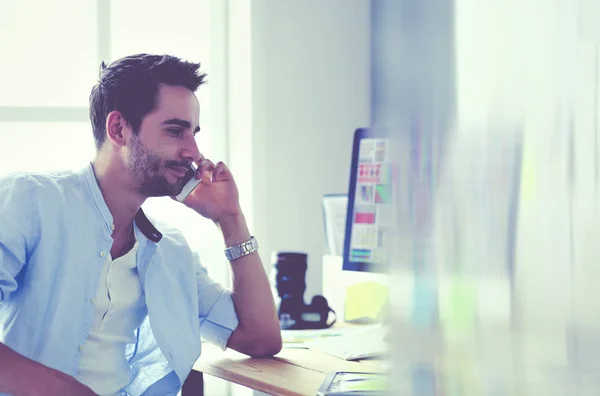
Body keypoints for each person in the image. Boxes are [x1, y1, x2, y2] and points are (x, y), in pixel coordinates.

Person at [0, 54, 282, 395]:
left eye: (193, 133)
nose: (194, 151)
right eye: (175, 130)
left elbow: (260, 337)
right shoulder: (30, 201)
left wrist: (230, 218)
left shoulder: (169, 249)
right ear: (119, 129)